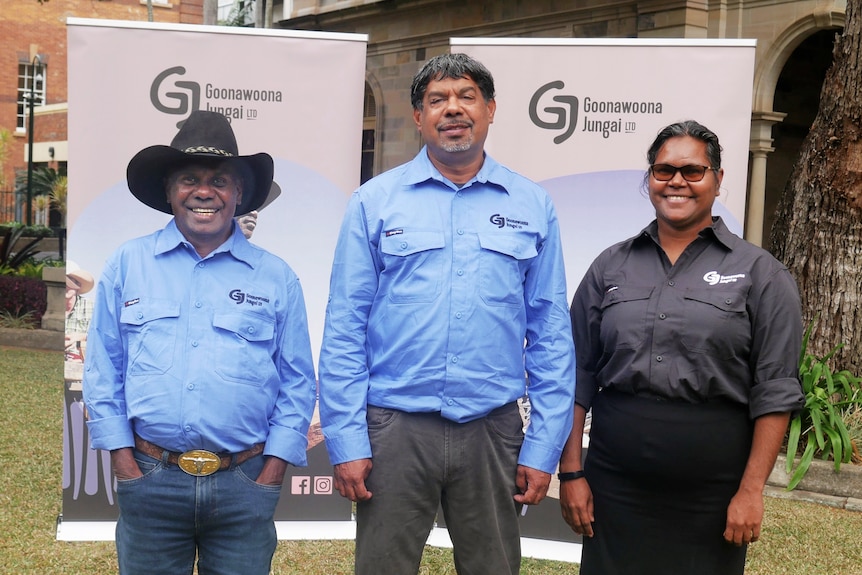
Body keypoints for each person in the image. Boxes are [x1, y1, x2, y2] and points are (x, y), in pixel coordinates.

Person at [317, 53, 575, 575]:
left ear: (491, 109)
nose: (452, 109)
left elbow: (550, 333)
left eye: (466, 97)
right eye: (437, 100)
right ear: (419, 117)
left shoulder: (532, 204)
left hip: (493, 429)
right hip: (395, 430)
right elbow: (345, 327)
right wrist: (346, 439)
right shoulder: (374, 202)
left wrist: (543, 446)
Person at [559, 120, 804, 575]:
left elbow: (775, 389)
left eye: (693, 171)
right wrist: (572, 472)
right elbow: (577, 375)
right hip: (615, 482)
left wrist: (751, 491)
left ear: (717, 179)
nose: (676, 181)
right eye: (663, 170)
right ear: (649, 178)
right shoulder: (609, 266)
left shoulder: (761, 275)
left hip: (712, 491)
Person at [82, 110, 317, 575]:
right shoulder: (127, 265)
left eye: (221, 180)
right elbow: (103, 367)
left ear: (239, 194)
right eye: (189, 178)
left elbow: (297, 381)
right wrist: (124, 463)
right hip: (150, 478)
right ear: (170, 193)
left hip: (244, 483)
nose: (204, 191)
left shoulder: (276, 277)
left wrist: (270, 473)